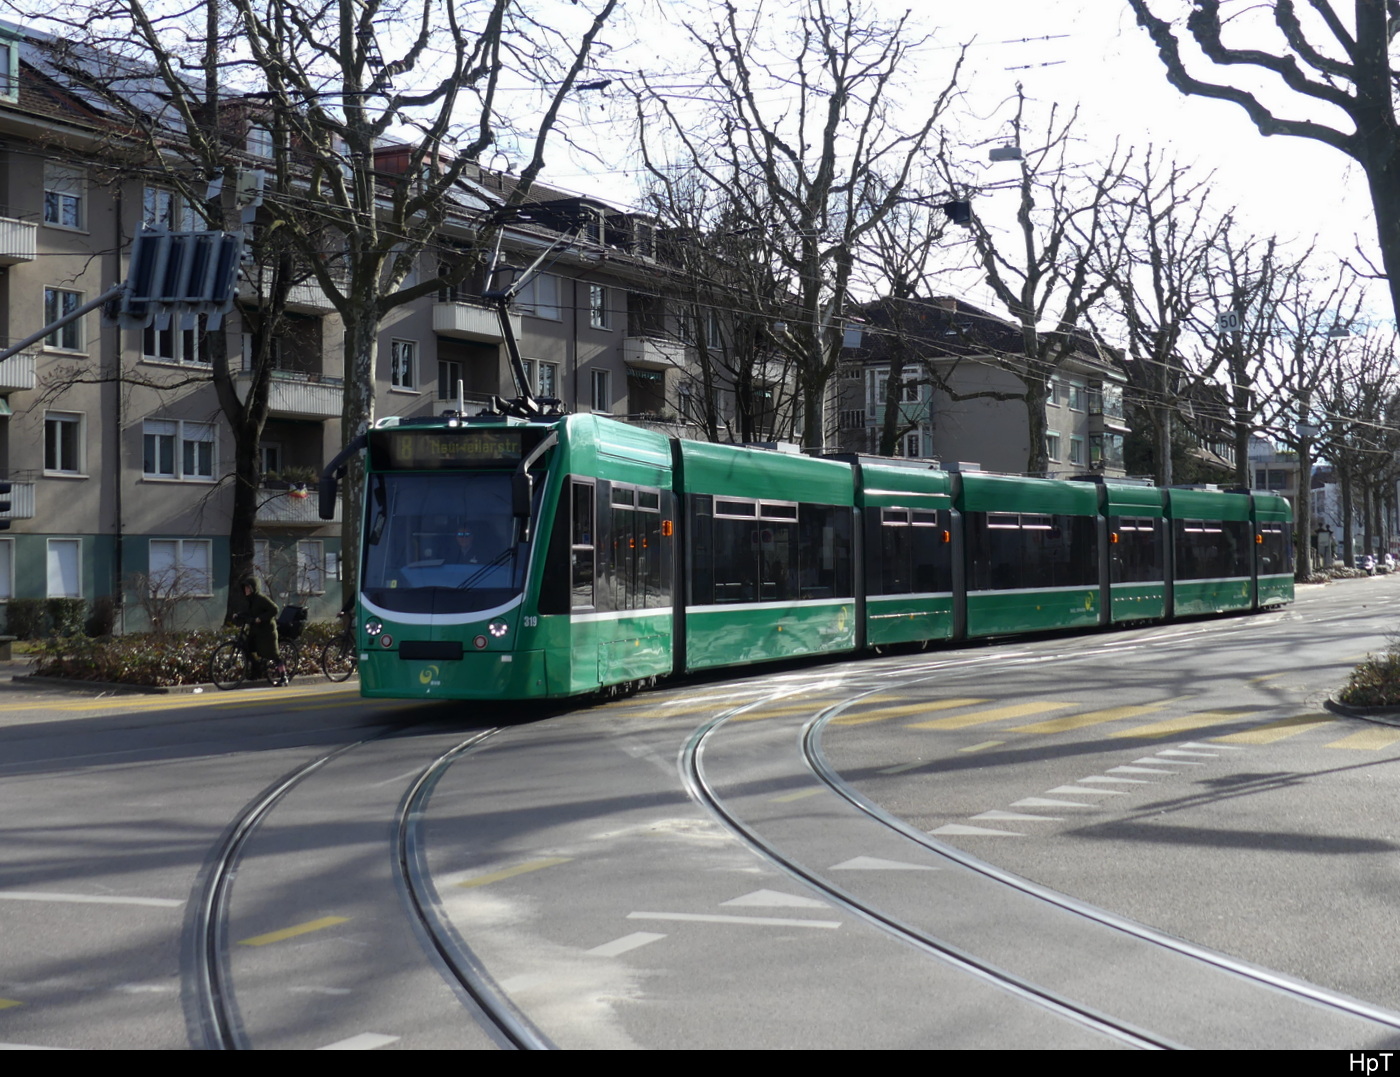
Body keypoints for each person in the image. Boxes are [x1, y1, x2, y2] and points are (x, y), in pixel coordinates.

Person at [240, 577, 287, 685]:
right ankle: (255, 671)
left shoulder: (261, 598)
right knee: (247, 648)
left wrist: (261, 618)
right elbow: (249, 612)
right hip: (256, 631)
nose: (246, 590)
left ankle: (283, 676)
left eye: (248, 587)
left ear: (253, 588)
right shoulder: (250, 600)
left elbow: (275, 609)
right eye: (245, 588)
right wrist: (238, 615)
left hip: (267, 632)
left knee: (273, 654)